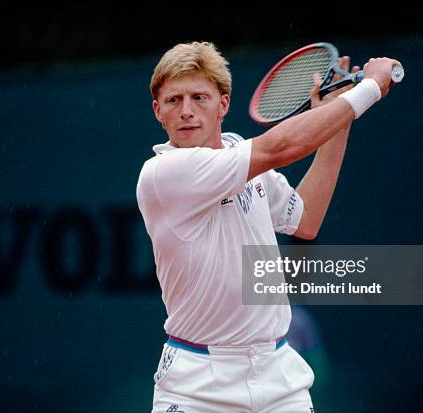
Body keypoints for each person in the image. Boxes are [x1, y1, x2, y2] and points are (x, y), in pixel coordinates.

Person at [136, 41, 400, 413]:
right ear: (157, 112)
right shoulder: (163, 173)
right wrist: (367, 90)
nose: (187, 111)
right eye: (173, 100)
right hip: (197, 385)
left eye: (199, 97)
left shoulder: (238, 154)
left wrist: (338, 125)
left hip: (278, 376)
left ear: (223, 104)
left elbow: (305, 220)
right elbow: (283, 146)